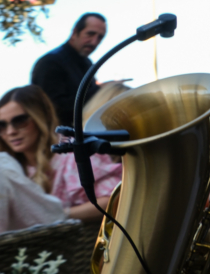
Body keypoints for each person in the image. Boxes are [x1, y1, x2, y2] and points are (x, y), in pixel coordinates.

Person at [0, 86, 121, 223]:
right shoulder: (8, 167)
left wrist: (58, 215)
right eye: (1, 125)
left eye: (19, 121)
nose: (10, 131)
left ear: (42, 117)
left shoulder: (74, 151)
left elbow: (114, 199)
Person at [31, 13, 107, 128]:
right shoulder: (51, 62)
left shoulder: (87, 63)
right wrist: (101, 91)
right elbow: (54, 109)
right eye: (90, 34)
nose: (94, 42)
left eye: (100, 37)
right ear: (75, 32)